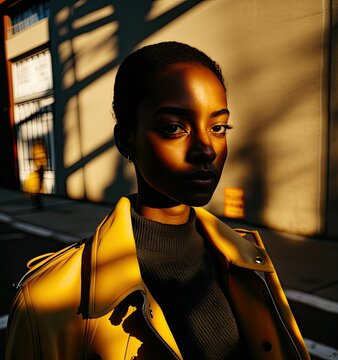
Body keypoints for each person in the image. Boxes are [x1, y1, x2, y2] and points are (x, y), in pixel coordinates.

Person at [6, 42, 310, 360]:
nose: (206, 150)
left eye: (218, 127)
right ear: (126, 139)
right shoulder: (44, 301)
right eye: (173, 128)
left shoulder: (247, 258)